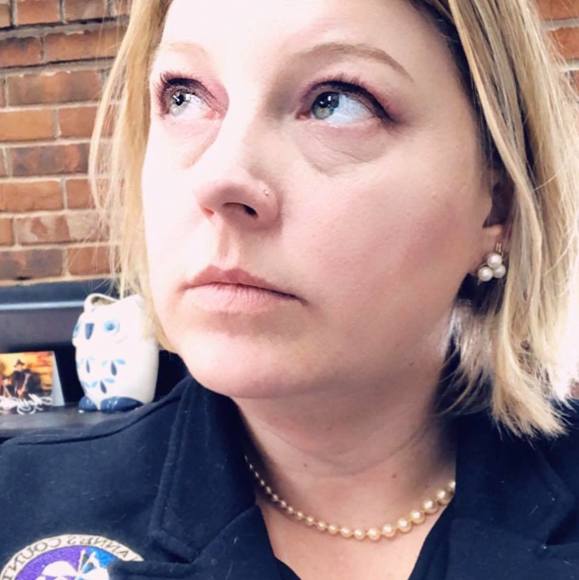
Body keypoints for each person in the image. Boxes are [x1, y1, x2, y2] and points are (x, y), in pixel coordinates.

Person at [0, 0, 577, 578]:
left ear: (496, 204)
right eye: (184, 96)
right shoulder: (19, 504)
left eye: (336, 101)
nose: (219, 178)